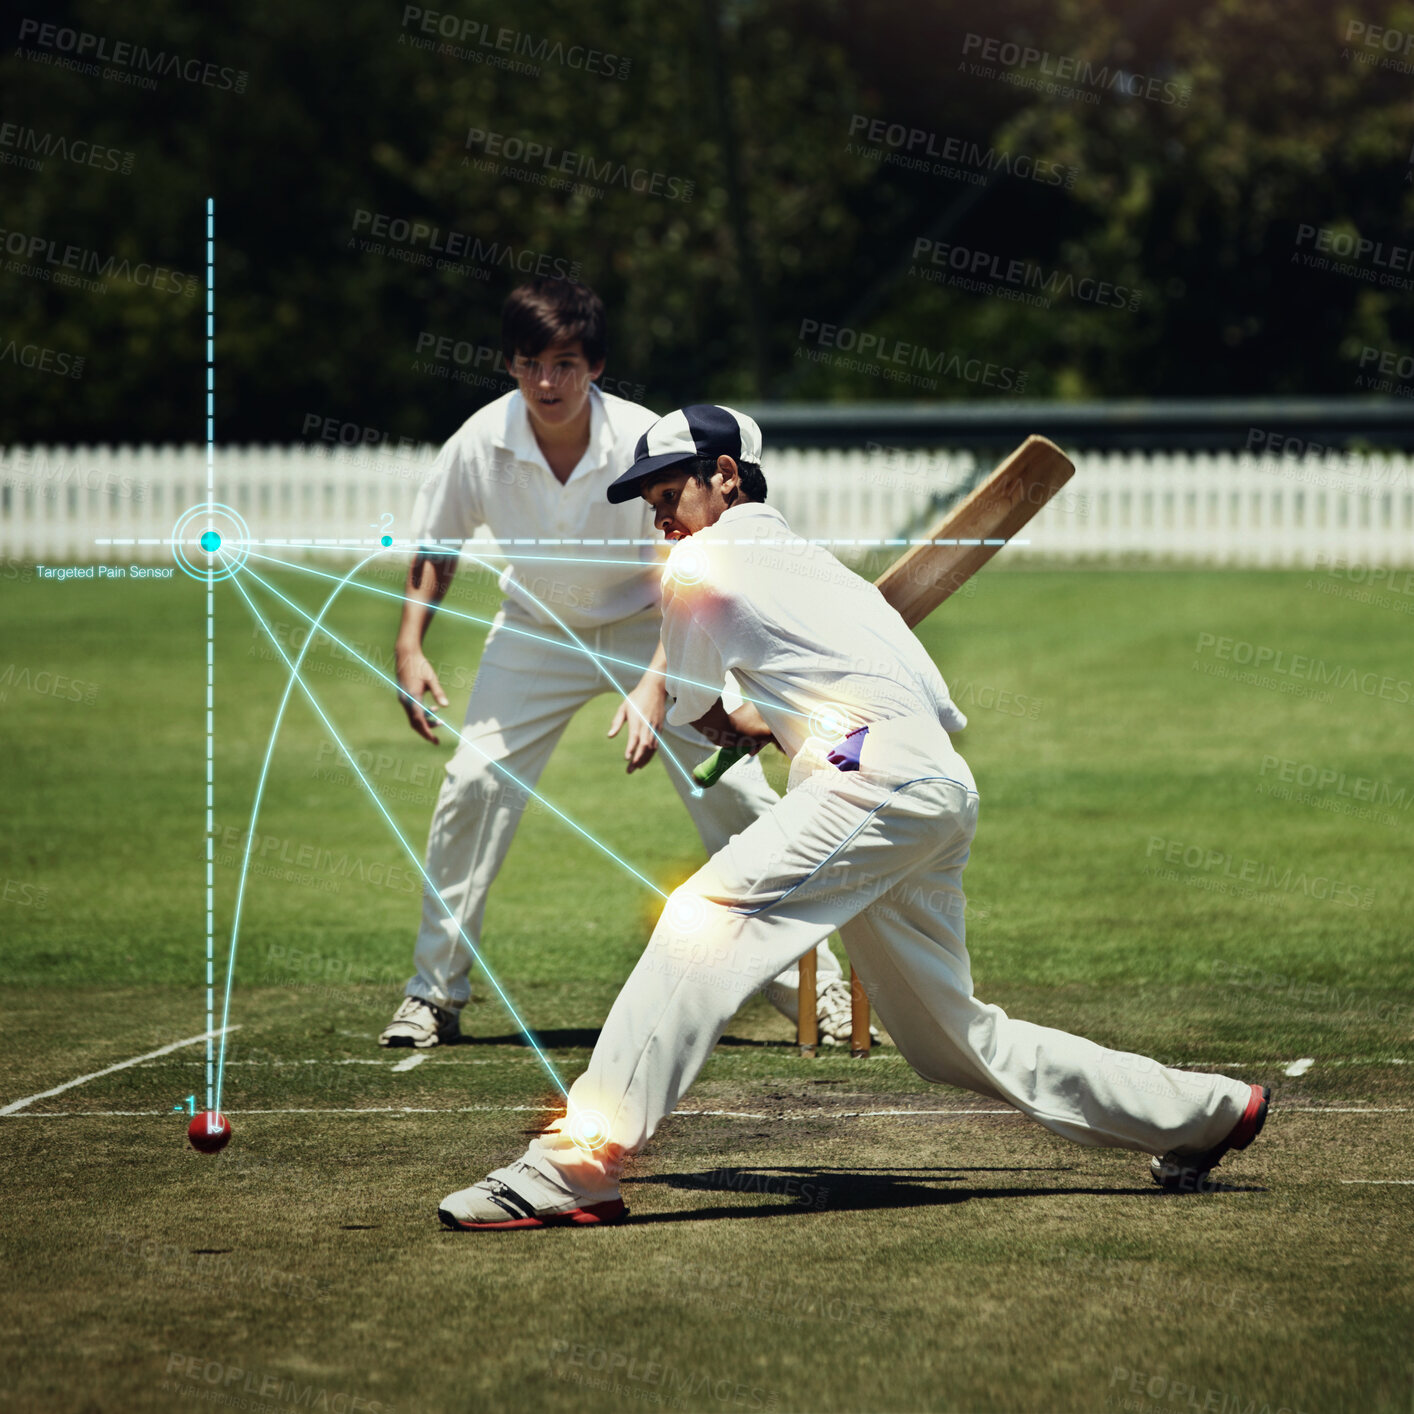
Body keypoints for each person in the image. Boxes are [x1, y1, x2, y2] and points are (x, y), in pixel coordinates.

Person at [437, 403, 1270, 1229]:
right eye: (650, 506)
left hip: (870, 782)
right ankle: (1204, 1112)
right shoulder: (816, 568)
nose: (659, 521)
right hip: (930, 784)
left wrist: (741, 724)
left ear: (724, 477)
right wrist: (781, 726)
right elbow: (923, 705)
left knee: (704, 918)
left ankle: (576, 1162)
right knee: (951, 1039)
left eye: (667, 497)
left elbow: (696, 710)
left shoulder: (696, 566)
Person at [379, 285, 851, 1050]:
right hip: (536, 629)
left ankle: (817, 992)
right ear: (509, 364)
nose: (546, 382)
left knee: (732, 794)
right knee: (473, 784)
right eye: (530, 363)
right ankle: (433, 995)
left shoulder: (640, 438)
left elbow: (688, 561)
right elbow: (437, 547)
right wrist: (408, 645)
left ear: (595, 365)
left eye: (565, 364)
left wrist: (656, 681)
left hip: (656, 622)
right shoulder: (478, 441)